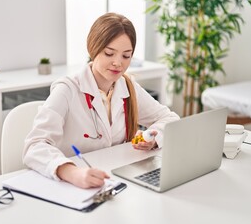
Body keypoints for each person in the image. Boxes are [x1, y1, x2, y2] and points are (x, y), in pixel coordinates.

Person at [23, 12, 179, 189]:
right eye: (109, 53)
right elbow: (34, 146)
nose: (118, 63)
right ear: (93, 49)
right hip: (71, 185)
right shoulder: (67, 90)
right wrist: (72, 172)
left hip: (116, 179)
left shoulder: (128, 86)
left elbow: (170, 118)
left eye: (126, 56)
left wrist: (152, 137)